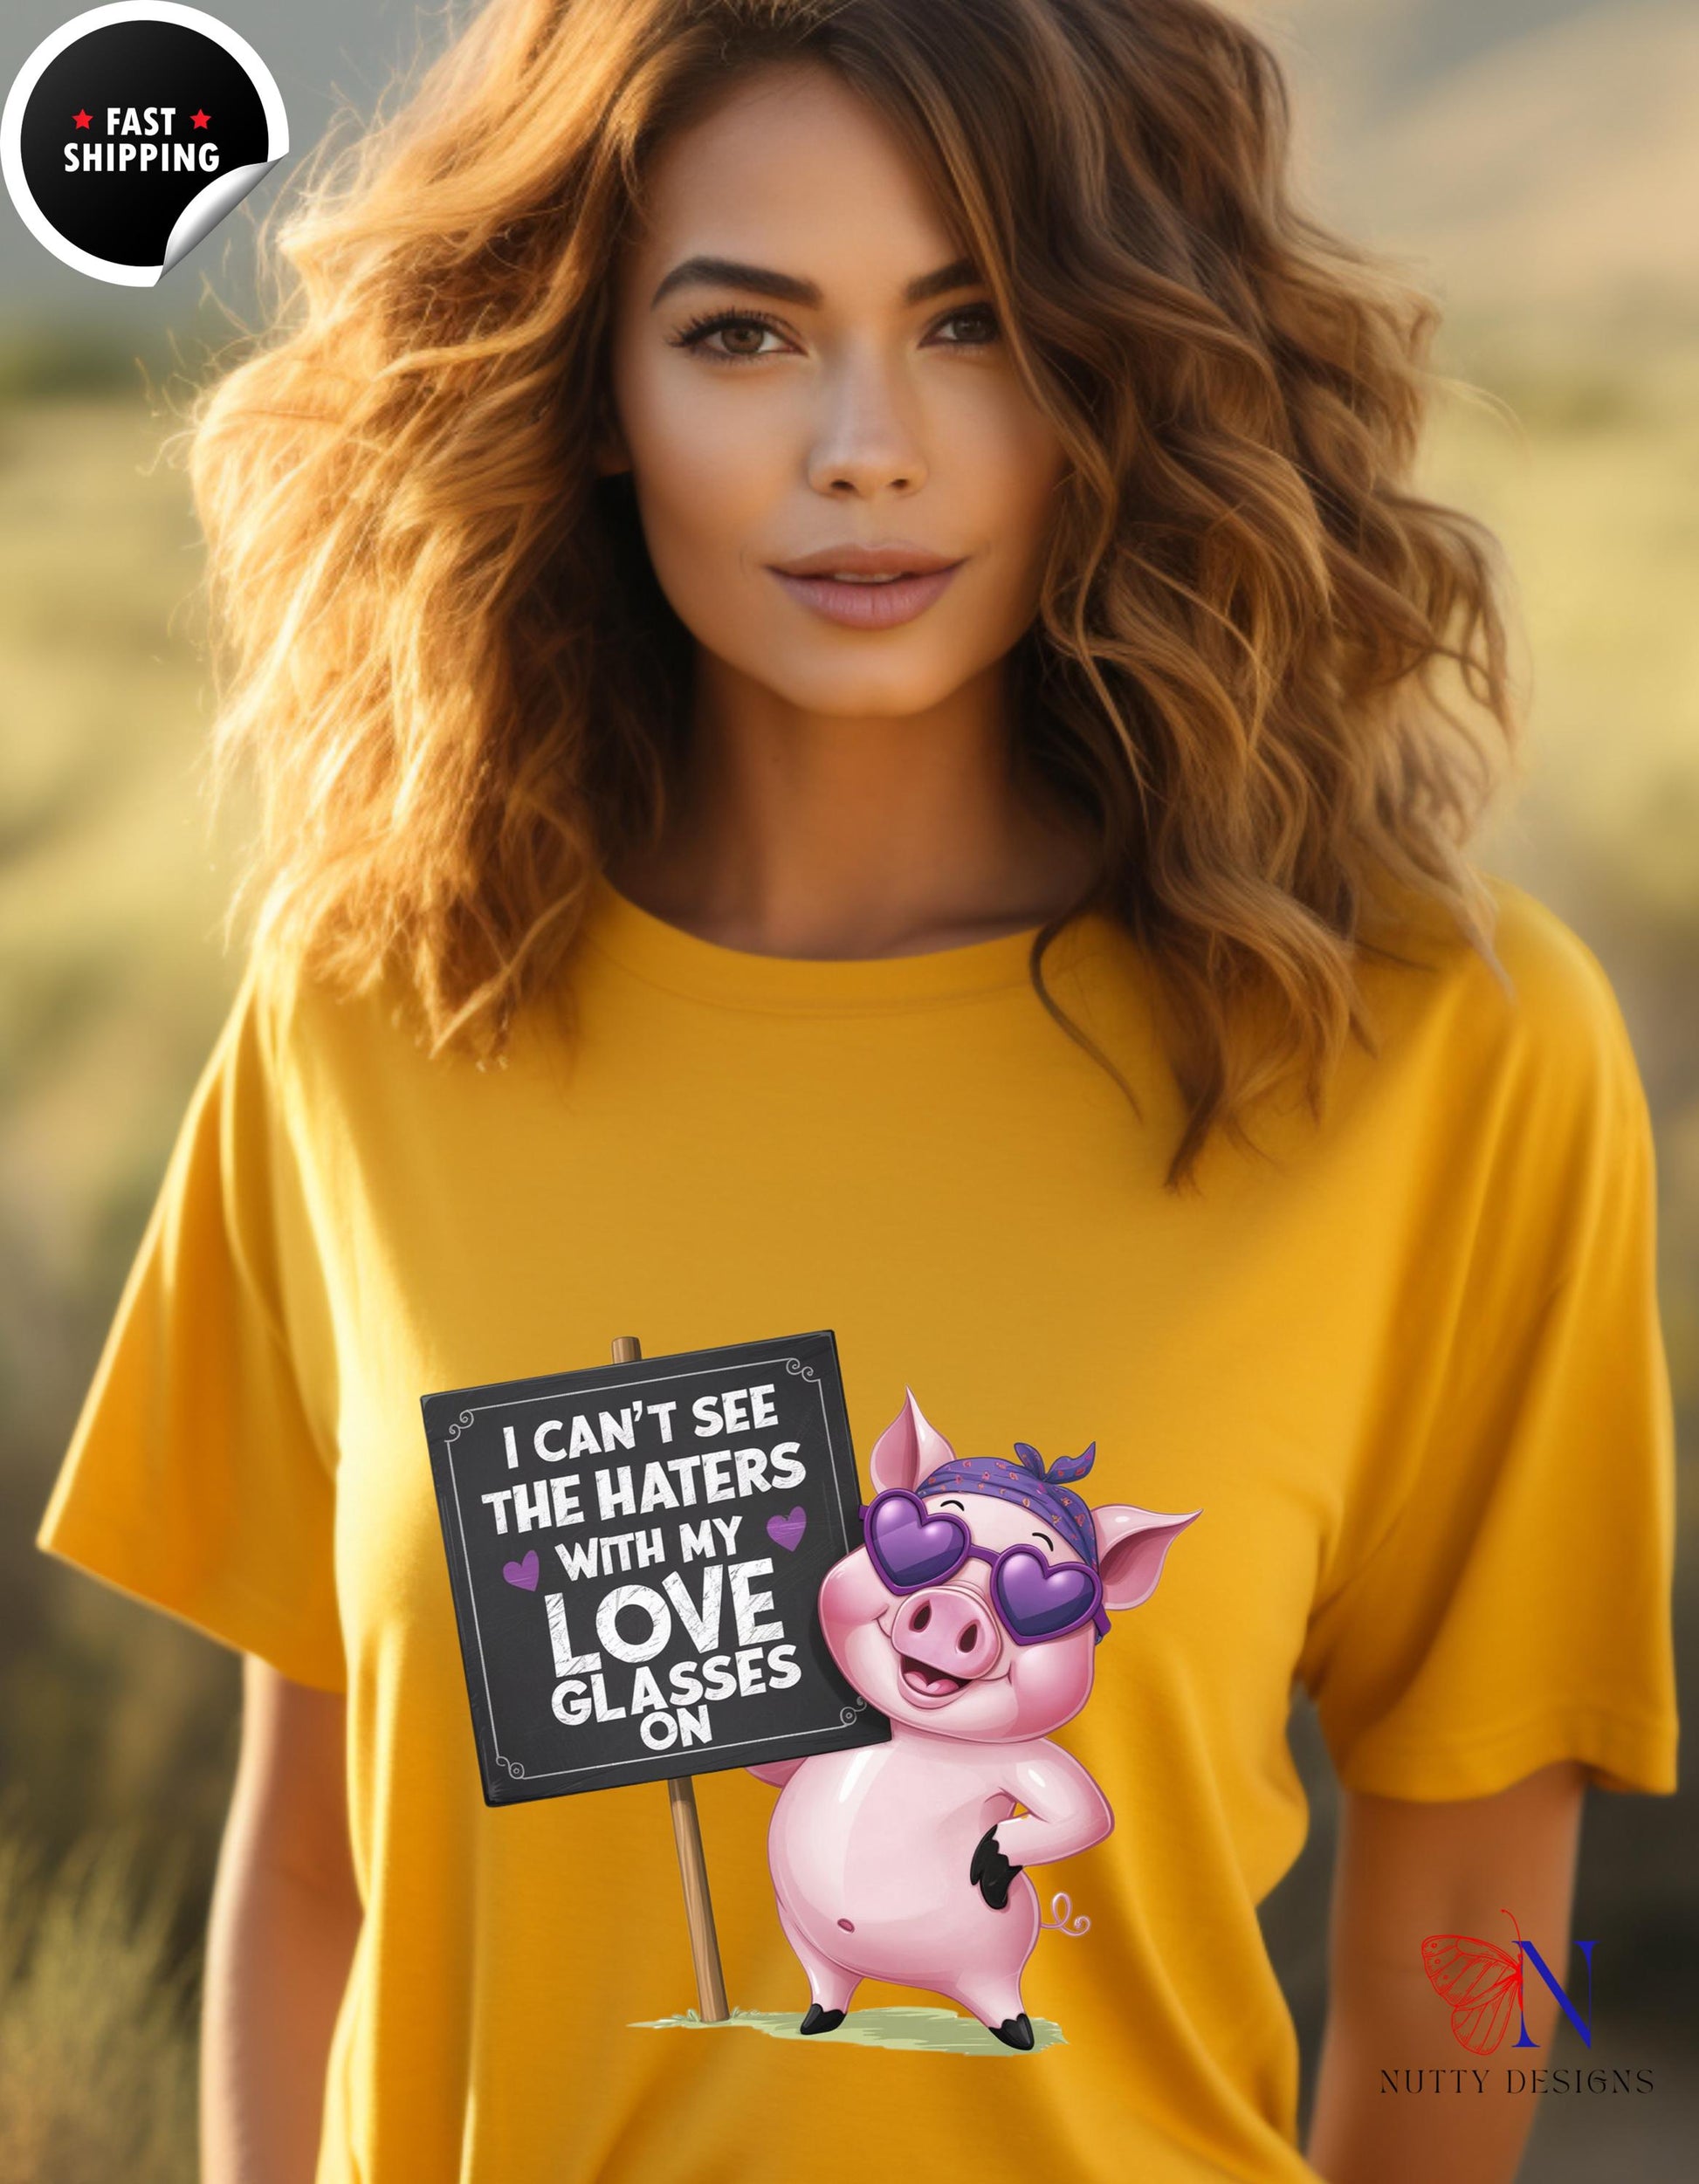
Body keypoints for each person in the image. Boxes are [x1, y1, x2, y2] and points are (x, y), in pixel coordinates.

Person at [35, 1, 1677, 2180]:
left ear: (1125, 364)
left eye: (976, 321)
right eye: (741, 335)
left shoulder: (1435, 1057)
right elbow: (322, 1874)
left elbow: (1474, 1931)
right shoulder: (370, 1011)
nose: (865, 449)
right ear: (591, 386)